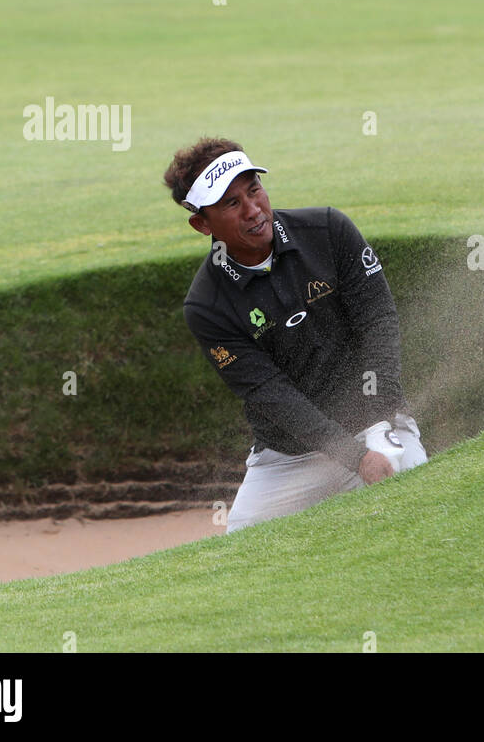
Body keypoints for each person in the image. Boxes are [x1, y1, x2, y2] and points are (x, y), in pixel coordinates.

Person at [162, 137, 426, 533]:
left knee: (419, 514)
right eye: (232, 204)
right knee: (242, 547)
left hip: (378, 422)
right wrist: (354, 457)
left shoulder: (328, 230)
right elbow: (271, 394)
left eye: (254, 190)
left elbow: (378, 321)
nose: (253, 210)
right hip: (291, 456)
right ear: (202, 224)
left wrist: (378, 419)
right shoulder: (207, 305)